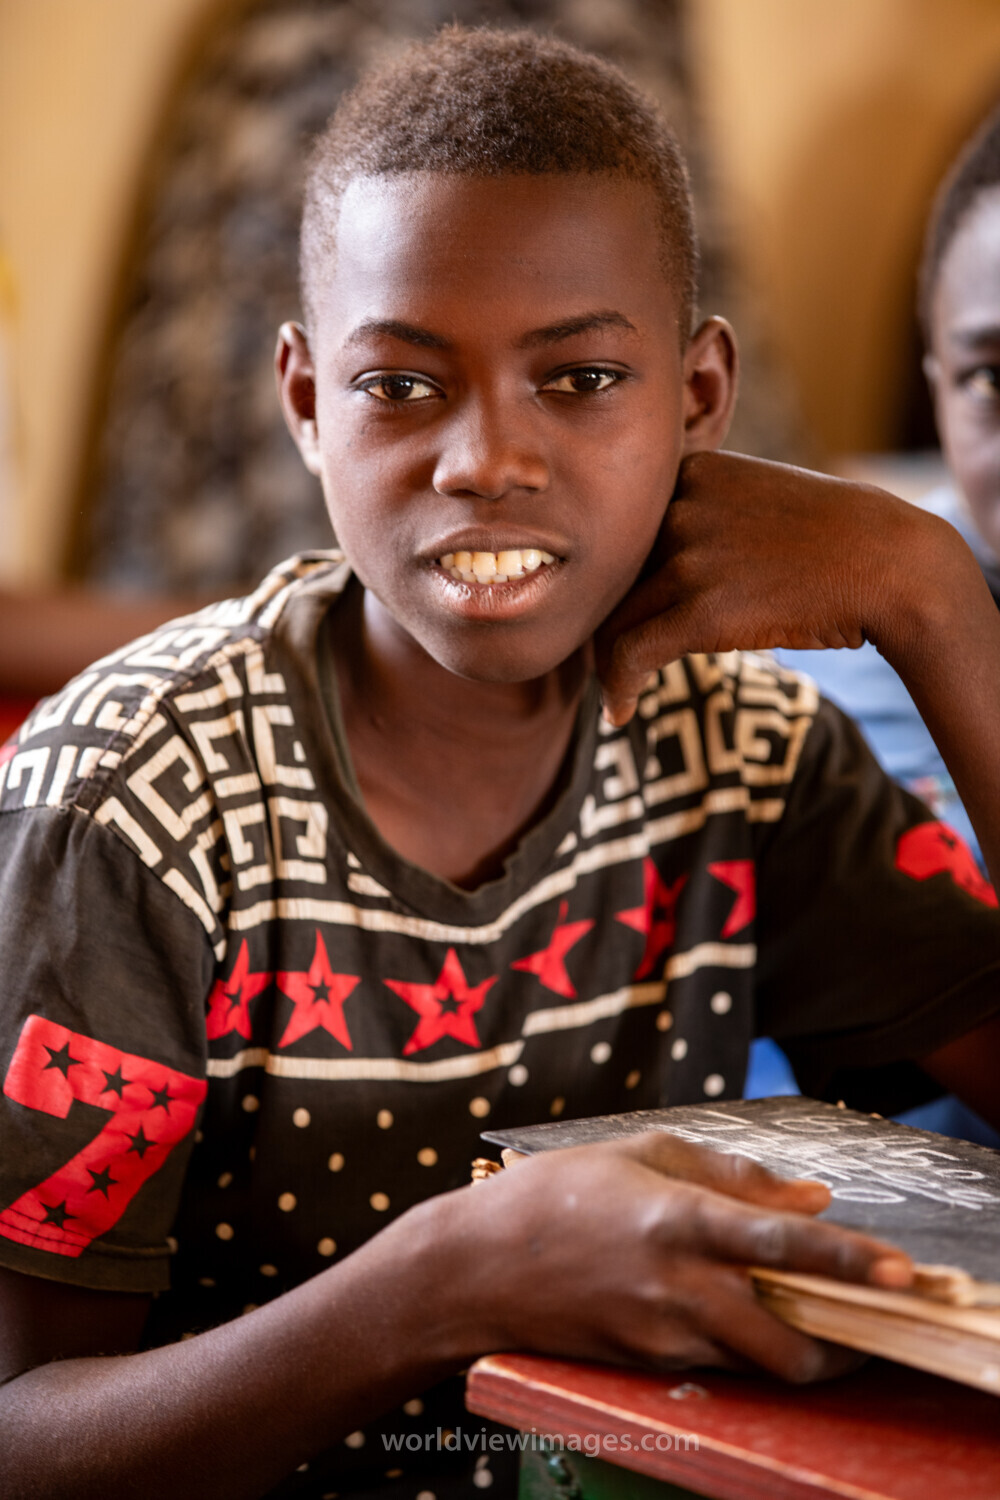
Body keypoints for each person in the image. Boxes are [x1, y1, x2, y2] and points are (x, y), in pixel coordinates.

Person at [0, 28, 998, 1500]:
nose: (485, 460)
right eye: (401, 385)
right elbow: (24, 1438)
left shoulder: (747, 757)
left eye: (581, 377)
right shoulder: (140, 805)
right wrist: (443, 1282)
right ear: (305, 402)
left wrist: (936, 610)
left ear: (699, 399)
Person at [772, 102, 1000, 1142]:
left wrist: (929, 598)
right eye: (993, 378)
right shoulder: (825, 655)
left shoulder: (908, 582)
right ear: (937, 387)